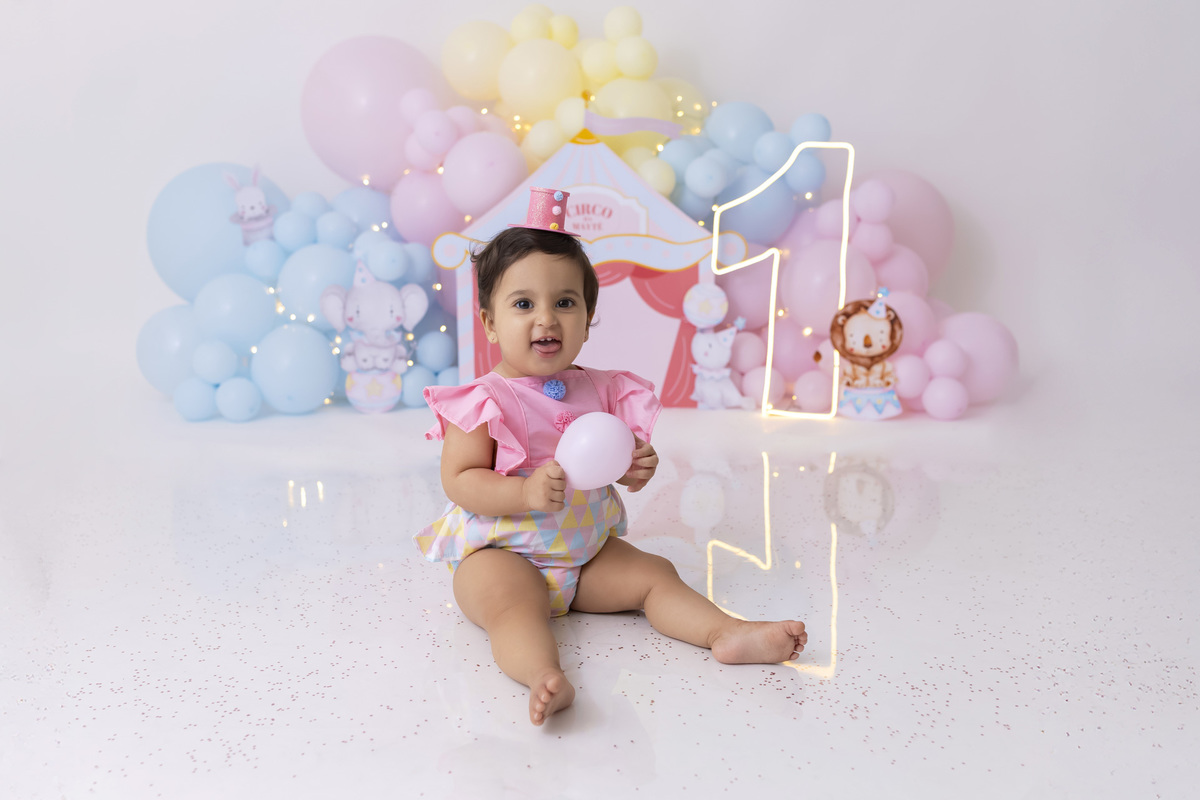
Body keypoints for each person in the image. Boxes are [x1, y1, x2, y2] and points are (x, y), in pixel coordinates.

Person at [414, 188, 808, 726]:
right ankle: (542, 675)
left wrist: (634, 466)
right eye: (523, 304)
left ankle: (727, 632)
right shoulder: (484, 401)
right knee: (512, 608)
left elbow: (610, 456)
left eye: (565, 302)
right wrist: (523, 491)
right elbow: (459, 480)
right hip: (503, 553)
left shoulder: (602, 389)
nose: (546, 319)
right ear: (489, 322)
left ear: (588, 316)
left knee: (655, 573)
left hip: (586, 556)